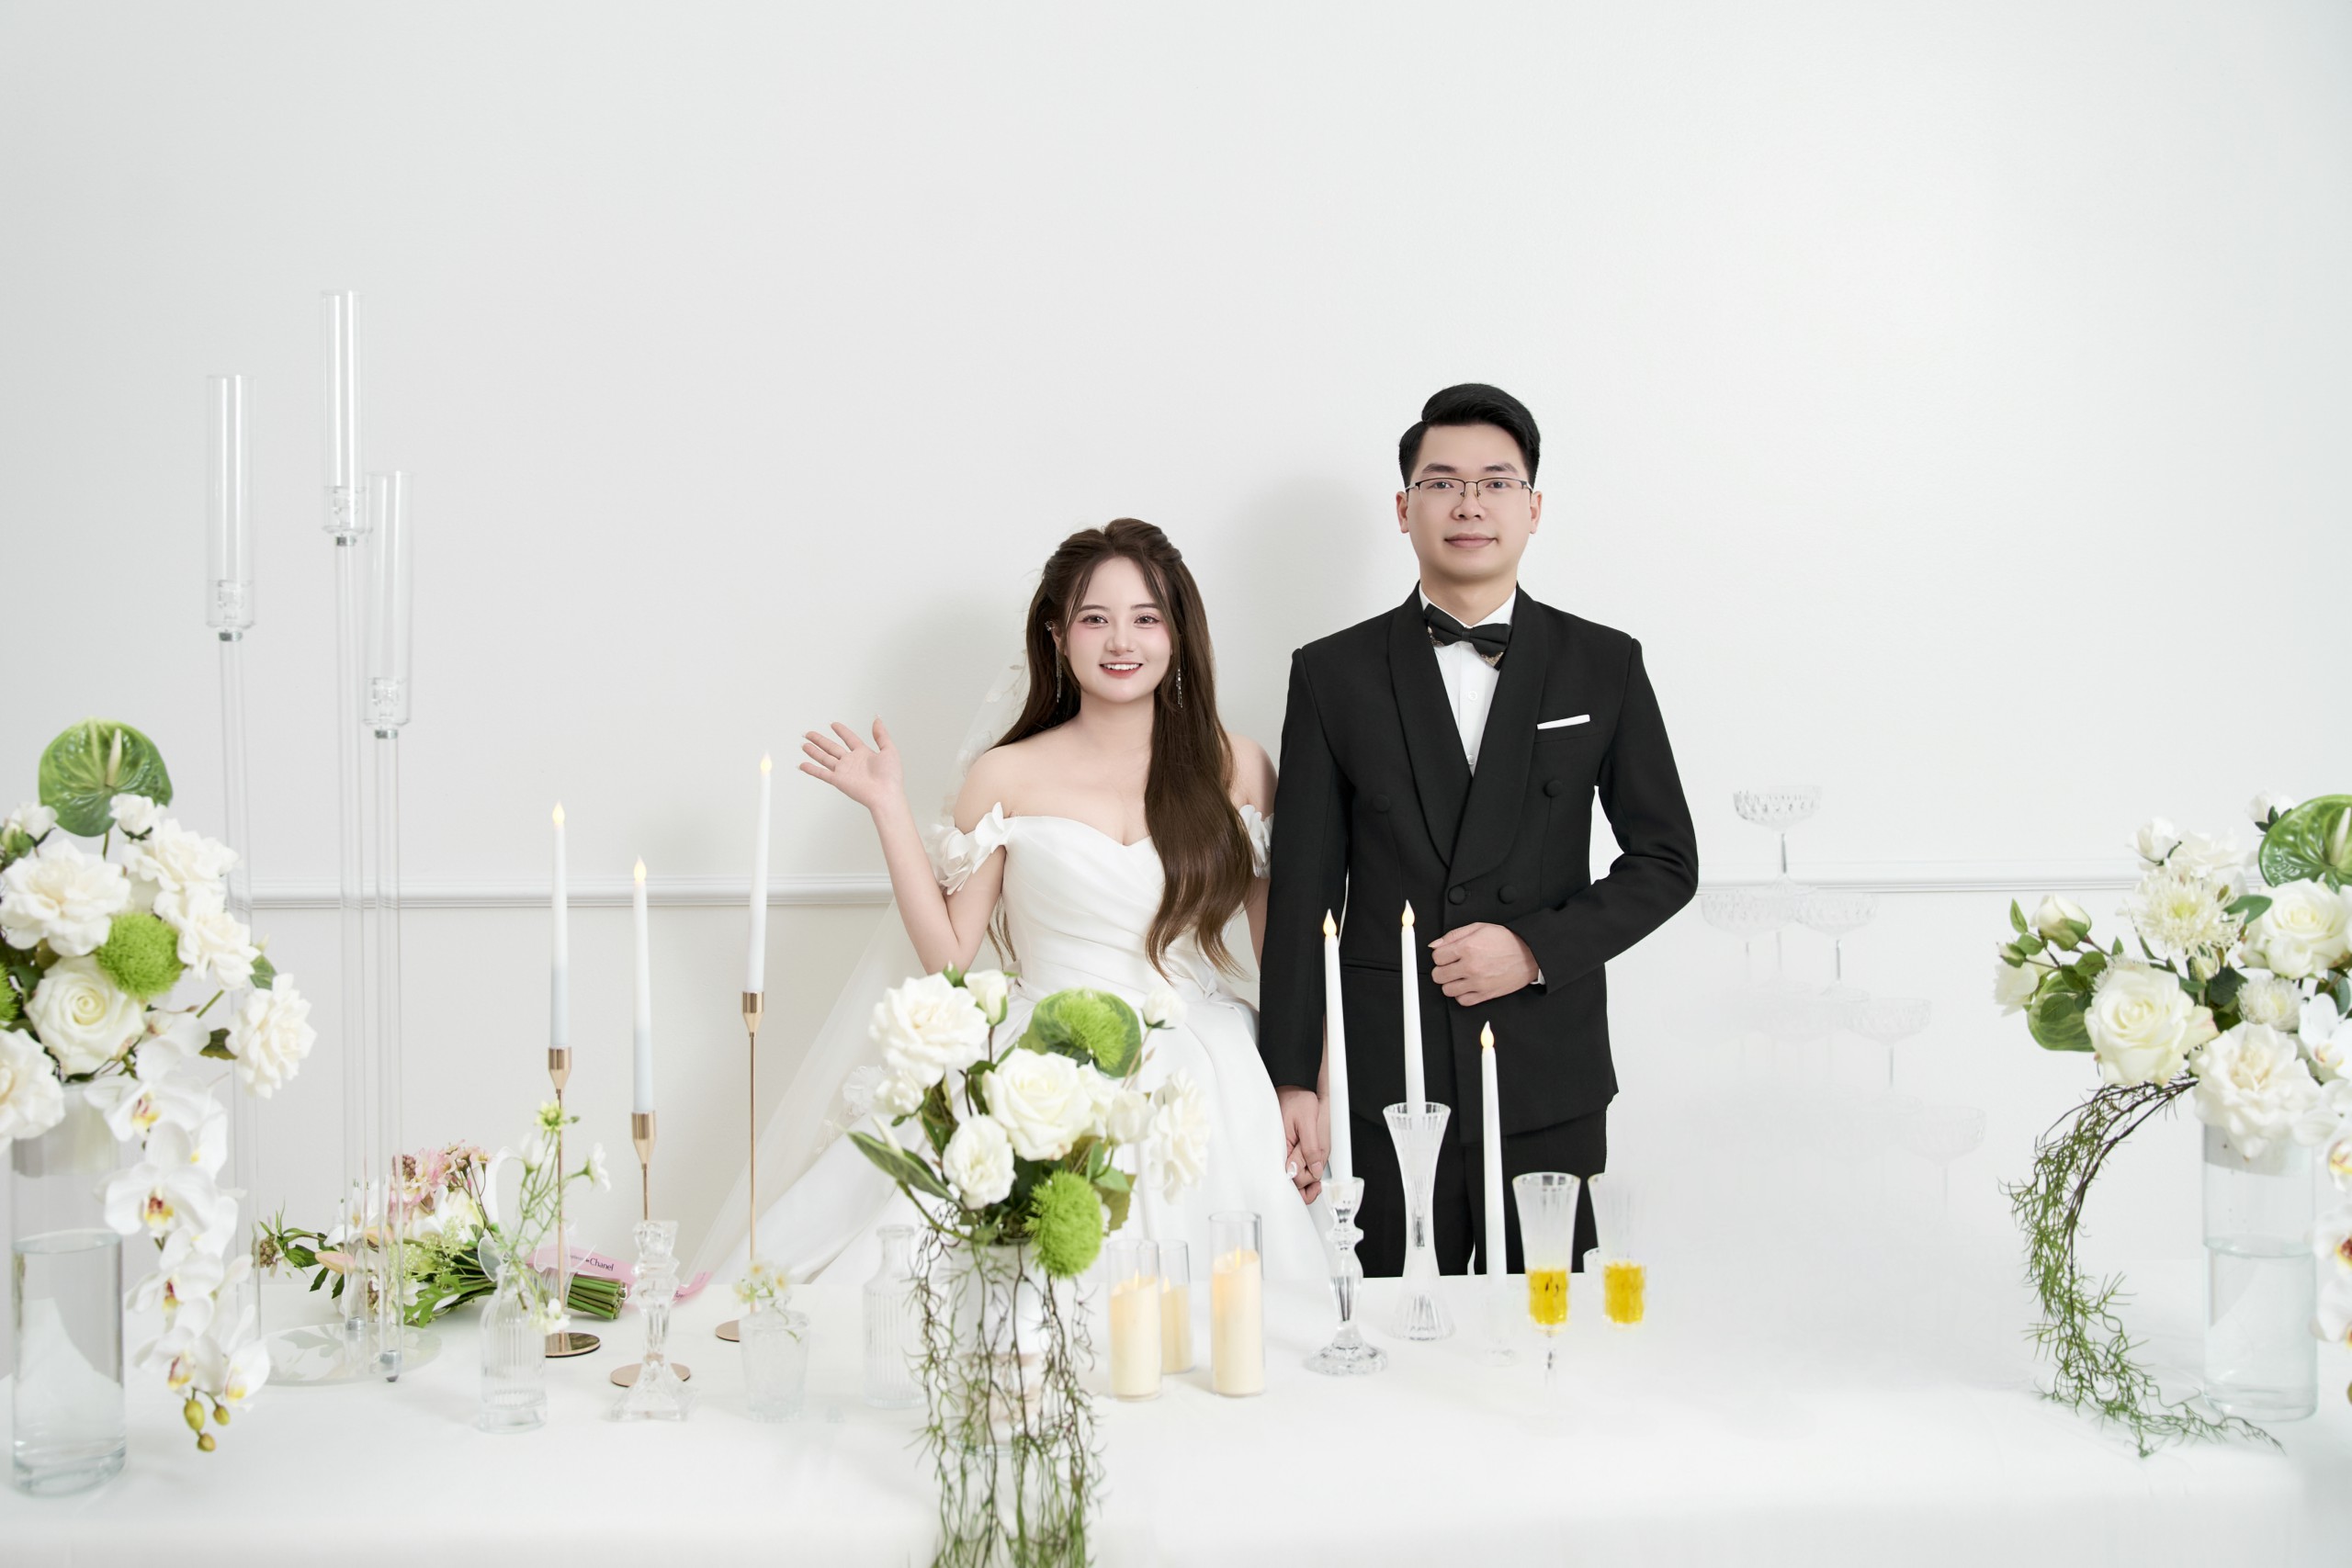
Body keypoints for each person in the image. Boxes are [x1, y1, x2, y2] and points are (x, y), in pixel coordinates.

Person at [696, 519, 1323, 1290]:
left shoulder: (1239, 766)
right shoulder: (1006, 774)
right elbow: (951, 957)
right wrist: (889, 807)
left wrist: (1302, 1085)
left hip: (1205, 1065)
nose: (1121, 641)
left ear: (1178, 632)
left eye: (1146, 618)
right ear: (1058, 635)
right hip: (1042, 1062)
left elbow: (1285, 955)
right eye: (1094, 618)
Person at [1260, 383, 1698, 1276]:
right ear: (1404, 507)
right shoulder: (1332, 673)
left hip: (1546, 1068)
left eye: (1496, 483)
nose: (1469, 504)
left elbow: (1665, 859)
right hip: (1384, 1077)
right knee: (1386, 1320)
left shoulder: (1603, 663)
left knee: (1543, 1325)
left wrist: (1533, 949)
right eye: (1442, 483)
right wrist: (1293, 1076)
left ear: (1533, 507)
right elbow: (1305, 891)